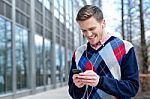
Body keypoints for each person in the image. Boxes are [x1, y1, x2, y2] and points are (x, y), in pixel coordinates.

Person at [68, 5, 139, 99]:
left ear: (103, 23)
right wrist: (77, 87)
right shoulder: (78, 53)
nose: (88, 34)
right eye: (84, 30)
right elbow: (73, 93)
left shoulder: (125, 48)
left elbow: (132, 88)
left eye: (92, 29)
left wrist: (100, 81)